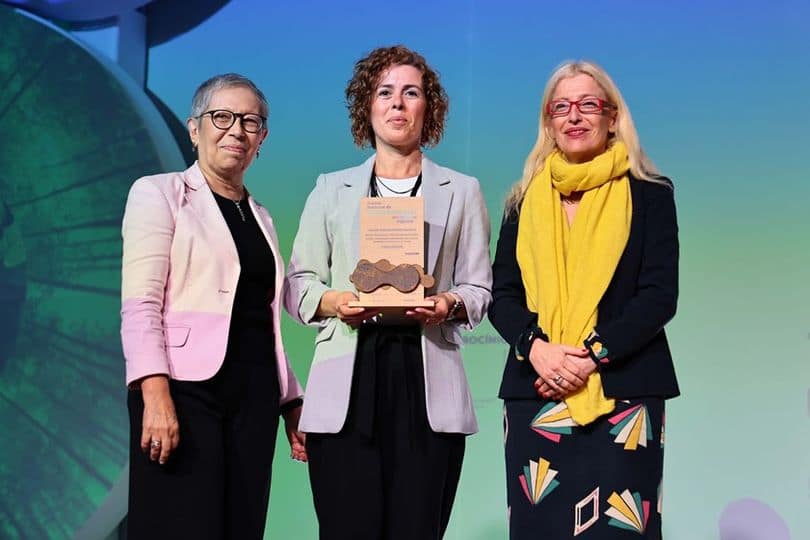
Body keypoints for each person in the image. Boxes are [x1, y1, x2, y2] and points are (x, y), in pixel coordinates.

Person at [284, 45, 492, 540]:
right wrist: (337, 302)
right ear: (367, 106)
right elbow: (298, 285)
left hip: (427, 379)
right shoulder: (331, 188)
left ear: (428, 108)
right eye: (384, 92)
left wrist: (447, 303)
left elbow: (479, 288)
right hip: (348, 379)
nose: (398, 103)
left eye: (411, 93)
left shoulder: (462, 190)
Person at [488, 61, 680, 539]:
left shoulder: (651, 195)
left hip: (624, 392)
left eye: (588, 104)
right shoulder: (521, 201)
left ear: (612, 117)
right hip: (537, 389)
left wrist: (590, 356)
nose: (574, 116)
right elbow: (502, 294)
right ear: (549, 123)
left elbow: (658, 296)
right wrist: (537, 349)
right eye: (561, 107)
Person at [120, 73, 305, 540]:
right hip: (183, 393)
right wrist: (154, 394)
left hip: (255, 399)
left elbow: (262, 321)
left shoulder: (261, 216)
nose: (236, 130)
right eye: (222, 117)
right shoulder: (158, 193)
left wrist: (291, 400)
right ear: (194, 128)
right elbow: (141, 304)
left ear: (262, 139)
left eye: (250, 121)